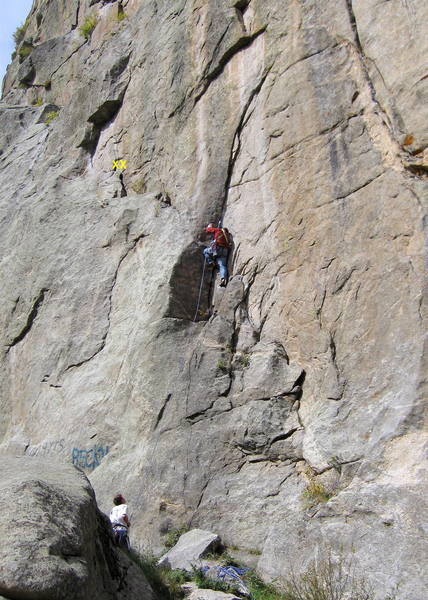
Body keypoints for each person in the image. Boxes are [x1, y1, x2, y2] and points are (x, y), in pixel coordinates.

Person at [203, 223, 231, 287]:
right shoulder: (227, 238)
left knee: (205, 251)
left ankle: (211, 262)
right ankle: (223, 278)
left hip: (217, 249)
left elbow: (208, 230)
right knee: (222, 266)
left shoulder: (218, 230)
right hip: (225, 251)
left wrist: (209, 226)